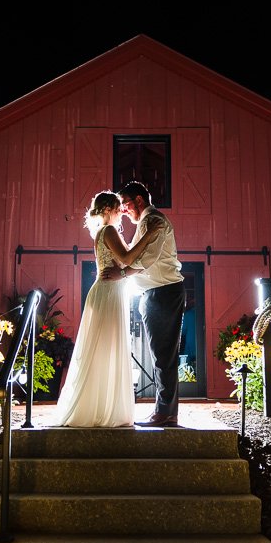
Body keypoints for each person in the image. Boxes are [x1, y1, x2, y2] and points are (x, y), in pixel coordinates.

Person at [53, 190, 162, 427]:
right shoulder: (109, 231)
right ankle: (103, 408)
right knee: (107, 348)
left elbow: (123, 259)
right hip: (109, 292)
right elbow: (129, 257)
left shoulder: (102, 232)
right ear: (107, 210)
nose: (122, 213)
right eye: (117, 208)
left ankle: (99, 406)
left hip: (109, 291)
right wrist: (149, 235)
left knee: (103, 350)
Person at [102, 180, 185, 427]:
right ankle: (166, 412)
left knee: (163, 355)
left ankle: (165, 414)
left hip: (164, 292)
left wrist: (122, 274)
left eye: (126, 204)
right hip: (156, 293)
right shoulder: (147, 223)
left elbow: (148, 258)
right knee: (162, 354)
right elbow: (135, 254)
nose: (124, 211)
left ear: (139, 200)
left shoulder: (153, 221)